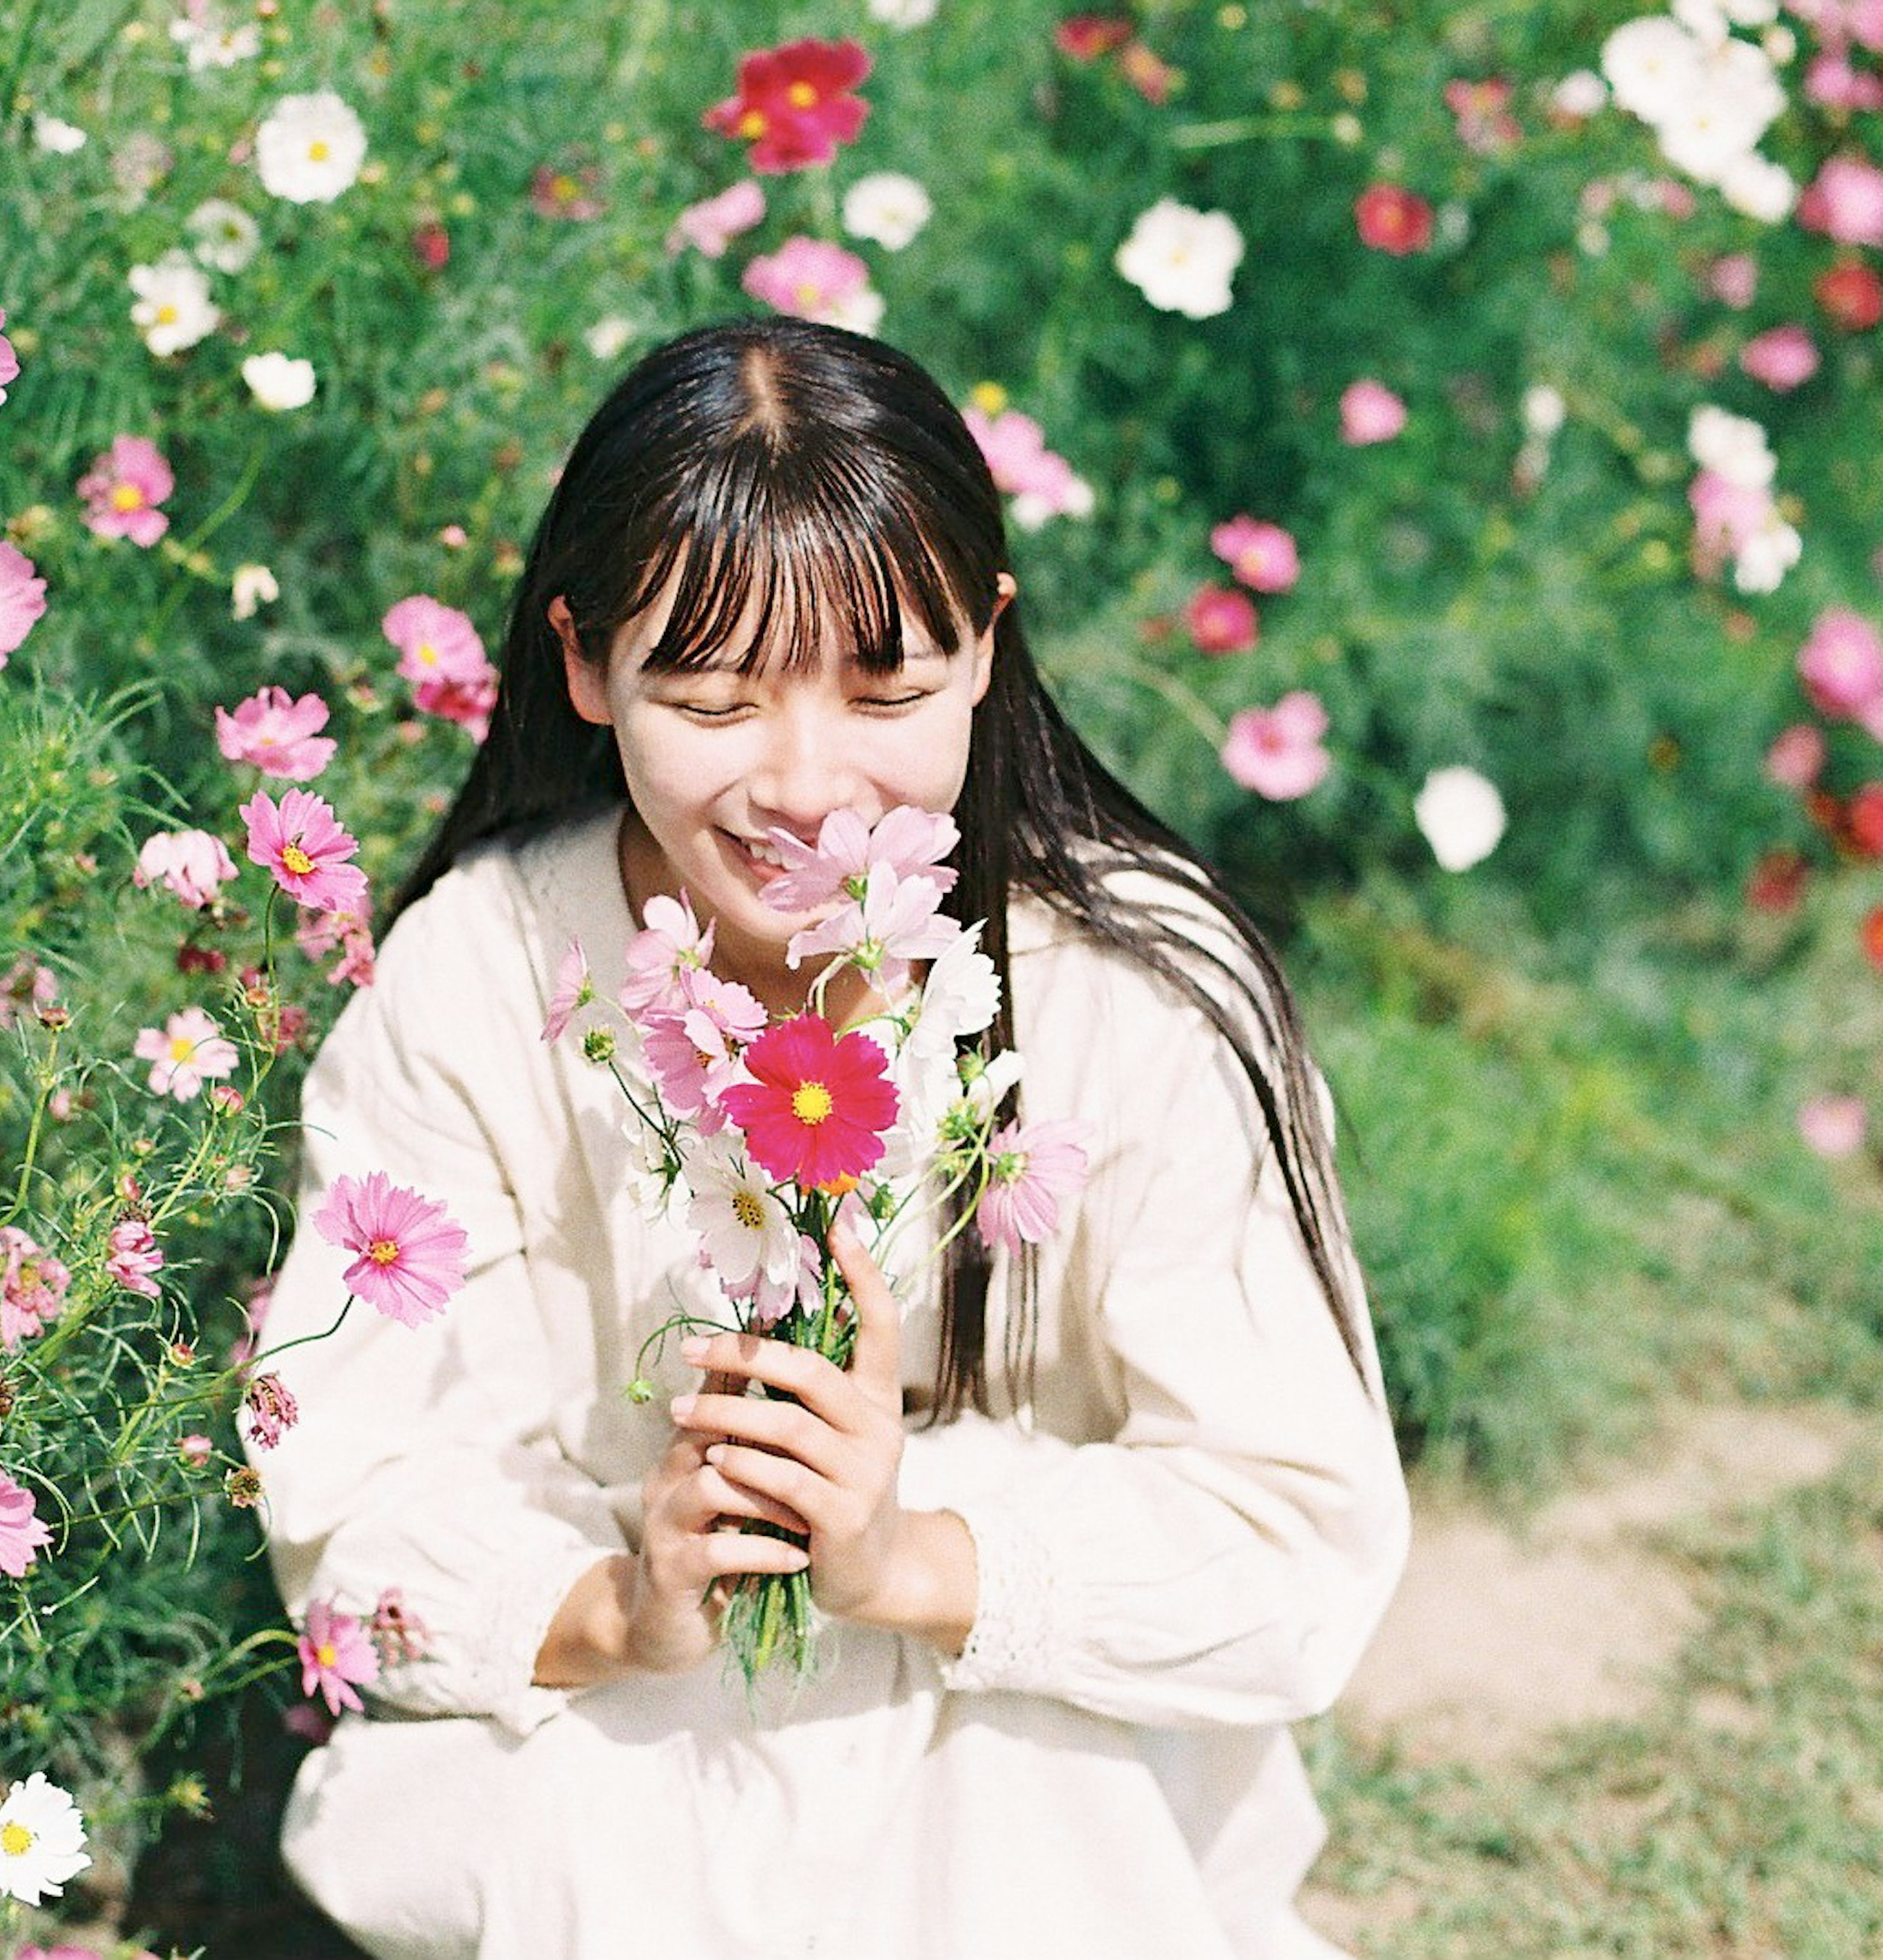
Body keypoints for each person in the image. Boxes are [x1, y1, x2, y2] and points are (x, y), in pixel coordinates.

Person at [241, 317, 1410, 1960]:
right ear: (584, 667)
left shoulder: (1135, 987)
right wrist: (619, 1602)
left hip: (1014, 1723)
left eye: (890, 689)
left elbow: (1298, 1534)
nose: (809, 786)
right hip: (630, 1712)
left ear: (990, 642)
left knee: (1020, 1818)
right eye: (714, 699)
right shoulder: (481, 974)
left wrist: (911, 1551)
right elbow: (353, 1472)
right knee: (599, 1844)